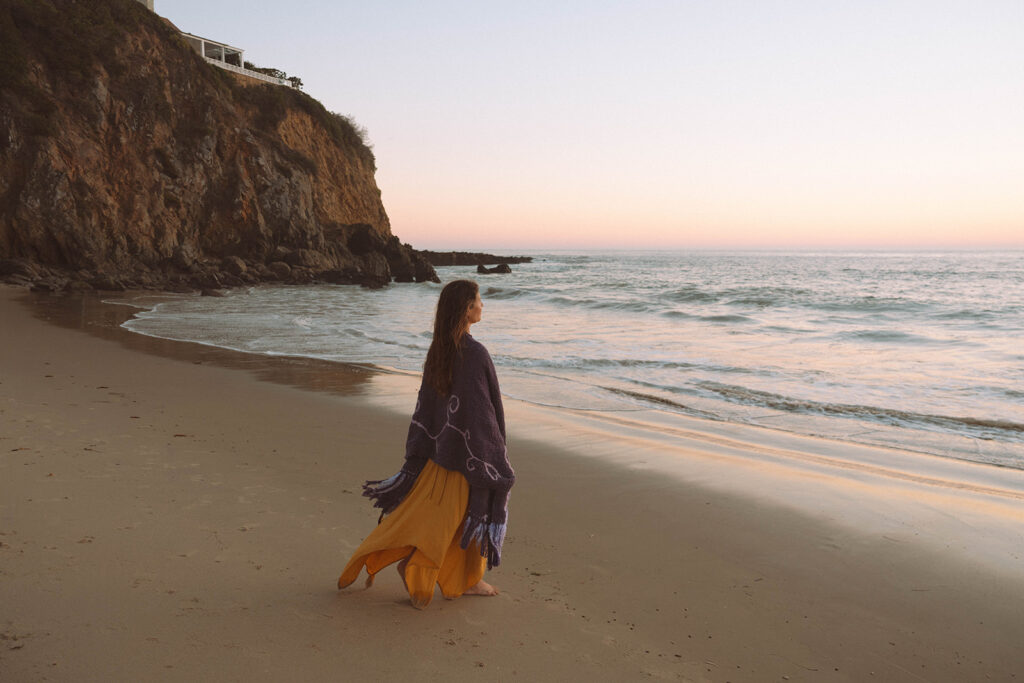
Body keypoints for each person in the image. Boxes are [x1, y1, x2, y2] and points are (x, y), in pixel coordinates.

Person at [337, 279, 515, 609]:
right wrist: (493, 454)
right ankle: (428, 571)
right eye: (478, 300)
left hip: (439, 455)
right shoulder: (475, 354)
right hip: (465, 460)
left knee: (434, 519)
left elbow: (430, 408)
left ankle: (462, 578)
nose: (482, 305)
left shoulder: (439, 349)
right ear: (466, 309)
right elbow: (482, 412)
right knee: (452, 522)